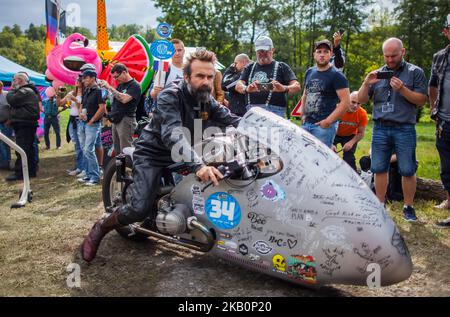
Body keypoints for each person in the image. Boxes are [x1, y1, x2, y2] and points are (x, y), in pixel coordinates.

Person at [80, 49, 241, 262]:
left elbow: (231, 118)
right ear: (186, 77)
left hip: (184, 153)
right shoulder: (170, 95)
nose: (206, 81)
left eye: (210, 77)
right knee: (139, 208)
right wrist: (197, 165)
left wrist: (260, 128)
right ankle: (101, 227)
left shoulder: (206, 99)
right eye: (200, 76)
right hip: (153, 153)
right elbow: (173, 133)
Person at [358, 37, 428, 222]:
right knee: (379, 167)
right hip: (381, 127)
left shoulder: (415, 72)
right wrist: (366, 83)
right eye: (386, 56)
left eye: (394, 56)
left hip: (404, 127)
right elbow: (362, 99)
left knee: (407, 169)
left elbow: (422, 100)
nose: (389, 60)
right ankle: (380, 205)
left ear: (403, 52)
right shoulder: (378, 73)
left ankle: (408, 207)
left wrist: (403, 89)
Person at [299, 39, 350, 148]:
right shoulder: (309, 72)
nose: (322, 55)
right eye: (319, 51)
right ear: (314, 55)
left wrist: (328, 121)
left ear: (331, 54)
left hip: (323, 128)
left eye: (326, 52)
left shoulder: (337, 75)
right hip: (306, 124)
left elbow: (346, 102)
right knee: (304, 158)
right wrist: (302, 114)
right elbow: (305, 94)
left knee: (320, 161)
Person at [236, 36, 301, 117]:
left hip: (275, 112)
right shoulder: (249, 67)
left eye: (265, 51)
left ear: (272, 50)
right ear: (256, 51)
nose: (262, 54)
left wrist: (284, 88)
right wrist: (246, 88)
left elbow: (297, 86)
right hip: (252, 112)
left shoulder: (282, 67)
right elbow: (238, 85)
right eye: (259, 51)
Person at [430, 14, 450, 227]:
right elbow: (433, 84)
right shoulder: (439, 57)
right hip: (444, 121)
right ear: (446, 31)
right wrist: (434, 109)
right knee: (447, 167)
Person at [99, 63, 141, 155]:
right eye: (114, 77)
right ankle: (119, 168)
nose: (115, 79)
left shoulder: (135, 85)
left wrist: (109, 87)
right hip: (116, 120)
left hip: (126, 120)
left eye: (116, 77)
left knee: (126, 150)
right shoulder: (121, 85)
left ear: (124, 72)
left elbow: (124, 99)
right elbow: (115, 100)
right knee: (117, 150)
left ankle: (128, 168)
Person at [5, 73, 40, 181]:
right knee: (28, 149)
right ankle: (30, 171)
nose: (13, 82)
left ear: (20, 80)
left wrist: (11, 89)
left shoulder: (25, 91)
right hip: (26, 123)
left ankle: (20, 172)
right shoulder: (28, 90)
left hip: (24, 124)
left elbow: (12, 100)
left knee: (22, 149)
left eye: (14, 80)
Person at [77, 69, 106, 186]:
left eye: (85, 78)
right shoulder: (87, 91)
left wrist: (92, 120)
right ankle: (89, 175)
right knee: (85, 149)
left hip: (92, 124)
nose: (83, 81)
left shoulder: (99, 91)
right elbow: (82, 105)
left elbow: (102, 108)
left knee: (88, 150)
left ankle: (95, 177)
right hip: (83, 123)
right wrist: (80, 114)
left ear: (92, 78)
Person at [332, 91, 368, 171]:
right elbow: (327, 126)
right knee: (328, 153)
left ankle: (353, 177)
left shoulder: (362, 114)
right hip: (333, 133)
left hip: (350, 136)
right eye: (353, 102)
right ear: (347, 99)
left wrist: (351, 143)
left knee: (349, 158)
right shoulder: (336, 108)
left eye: (359, 103)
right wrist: (330, 143)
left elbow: (361, 133)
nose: (355, 106)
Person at [61, 77, 84, 176]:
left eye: (78, 81)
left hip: (79, 120)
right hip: (72, 120)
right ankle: (79, 167)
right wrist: (58, 94)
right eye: (76, 81)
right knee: (76, 144)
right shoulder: (72, 92)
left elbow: (82, 106)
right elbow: (61, 103)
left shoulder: (85, 93)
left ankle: (82, 168)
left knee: (81, 145)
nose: (76, 82)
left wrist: (74, 99)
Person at [0, 80, 13, 170]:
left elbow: (13, 108)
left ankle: (6, 163)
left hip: (6, 123)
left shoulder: (7, 95)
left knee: (6, 143)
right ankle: (2, 162)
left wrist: (10, 119)